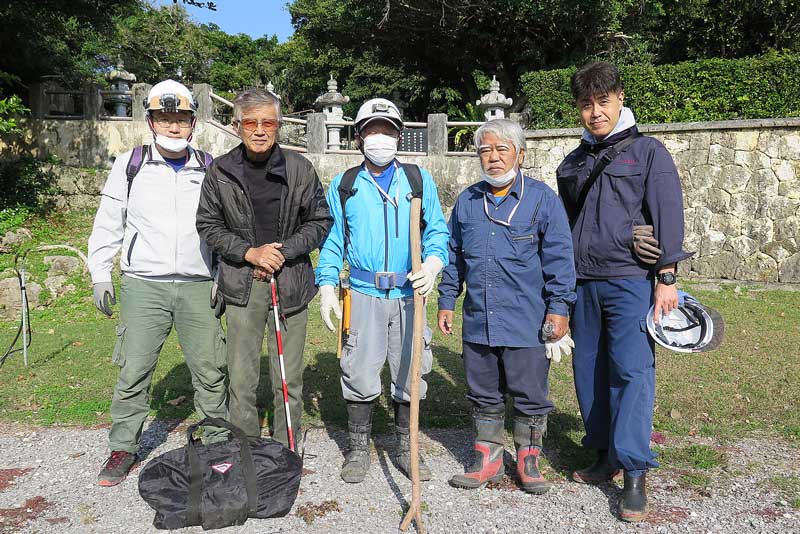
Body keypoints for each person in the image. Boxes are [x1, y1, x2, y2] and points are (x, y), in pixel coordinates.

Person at [555, 61, 692, 522]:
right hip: (582, 281)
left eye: (603, 102)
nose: (595, 112)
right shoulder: (573, 162)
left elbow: (667, 211)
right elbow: (567, 223)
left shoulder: (648, 152)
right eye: (586, 104)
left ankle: (634, 469)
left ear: (619, 98)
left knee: (632, 372)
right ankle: (602, 454)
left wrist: (666, 277)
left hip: (631, 281)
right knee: (588, 369)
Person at [88, 79, 226, 487]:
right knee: (134, 368)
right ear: (151, 121)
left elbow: (225, 227)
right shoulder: (129, 165)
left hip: (199, 284)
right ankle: (123, 447)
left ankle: (218, 441)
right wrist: (100, 273)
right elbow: (108, 223)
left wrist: (221, 275)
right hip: (144, 285)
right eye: (164, 118)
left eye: (180, 119)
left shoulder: (211, 167)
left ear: (193, 123)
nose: (172, 126)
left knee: (211, 368)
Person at [437, 119, 576, 494]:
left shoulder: (542, 199)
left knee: (530, 393)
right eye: (485, 150)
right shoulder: (467, 201)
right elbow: (453, 257)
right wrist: (447, 299)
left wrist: (559, 308)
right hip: (479, 320)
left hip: (527, 320)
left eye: (502, 150)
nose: (493, 158)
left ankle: (529, 459)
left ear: (520, 155)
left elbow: (561, 258)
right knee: (483, 392)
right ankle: (488, 458)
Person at [315, 98, 450, 484]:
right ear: (359, 137)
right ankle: (358, 448)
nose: (380, 137)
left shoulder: (417, 180)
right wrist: (326, 284)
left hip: (410, 293)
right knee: (358, 370)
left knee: (412, 370)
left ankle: (407, 449)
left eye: (387, 130)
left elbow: (437, 231)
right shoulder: (345, 185)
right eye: (372, 130)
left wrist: (434, 264)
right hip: (362, 291)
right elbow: (333, 240)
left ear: (399, 134)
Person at [196, 88, 332, 451]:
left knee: (288, 377)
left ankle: (287, 446)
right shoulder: (221, 171)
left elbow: (320, 221)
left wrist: (283, 252)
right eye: (250, 122)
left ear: (279, 126)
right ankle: (245, 449)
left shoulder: (299, 168)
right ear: (236, 125)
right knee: (241, 377)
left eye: (267, 122)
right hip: (242, 284)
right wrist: (249, 253)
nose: (259, 130)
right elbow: (208, 225)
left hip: (290, 283)